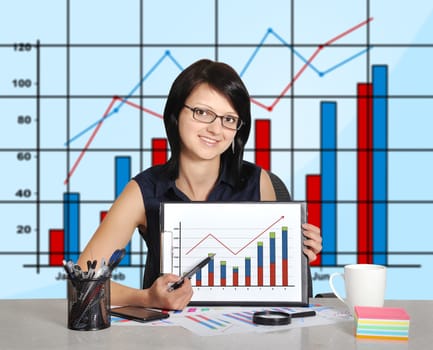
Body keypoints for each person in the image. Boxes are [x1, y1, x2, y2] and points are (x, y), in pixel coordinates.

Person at [77, 59, 322, 310]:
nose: (216, 129)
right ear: (175, 113)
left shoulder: (259, 182)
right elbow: (80, 283)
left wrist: (297, 253)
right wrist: (146, 298)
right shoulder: (144, 190)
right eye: (202, 113)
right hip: (167, 336)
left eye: (229, 119)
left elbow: (273, 275)